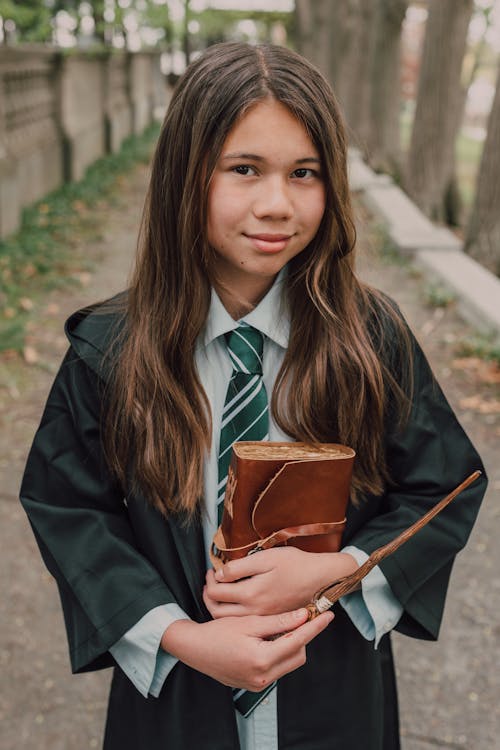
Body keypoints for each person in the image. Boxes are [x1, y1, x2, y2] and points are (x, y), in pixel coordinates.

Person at [20, 42, 487, 750]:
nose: (276, 204)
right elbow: (71, 510)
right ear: (185, 177)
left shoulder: (370, 340)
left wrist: (342, 569)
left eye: (304, 173)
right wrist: (180, 638)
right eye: (244, 170)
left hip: (334, 696)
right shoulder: (112, 351)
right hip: (178, 704)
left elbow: (447, 485)